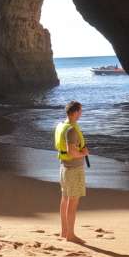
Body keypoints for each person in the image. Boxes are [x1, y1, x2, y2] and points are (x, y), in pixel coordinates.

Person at [53, 100, 89, 242]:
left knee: (65, 199)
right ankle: (70, 235)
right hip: (73, 169)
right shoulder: (72, 130)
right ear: (74, 113)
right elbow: (73, 153)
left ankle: (64, 231)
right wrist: (84, 153)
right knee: (72, 203)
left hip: (64, 167)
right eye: (80, 111)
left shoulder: (61, 125)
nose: (81, 113)